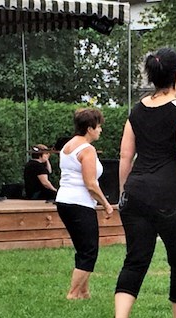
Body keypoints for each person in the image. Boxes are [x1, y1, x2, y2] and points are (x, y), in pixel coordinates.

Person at [105, 47, 176, 318]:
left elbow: (125, 156)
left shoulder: (136, 111)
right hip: (171, 196)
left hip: (136, 192)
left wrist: (124, 192)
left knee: (135, 260)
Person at [56, 109, 114, 300]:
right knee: (89, 250)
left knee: (83, 249)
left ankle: (84, 292)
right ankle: (72, 294)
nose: (100, 130)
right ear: (90, 128)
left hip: (64, 201)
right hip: (79, 203)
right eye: (99, 127)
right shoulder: (87, 150)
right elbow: (90, 183)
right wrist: (106, 204)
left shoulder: (68, 146)